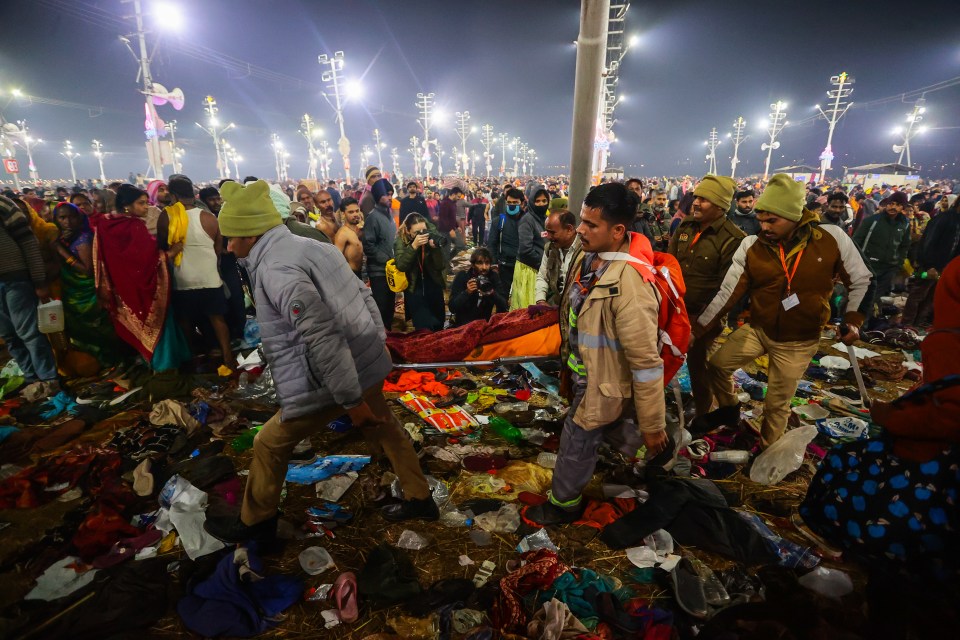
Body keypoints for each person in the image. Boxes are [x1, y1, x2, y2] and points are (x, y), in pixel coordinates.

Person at [204, 180, 436, 543]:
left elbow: (323, 336)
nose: (229, 247)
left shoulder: (276, 270)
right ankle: (420, 496)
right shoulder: (312, 244)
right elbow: (362, 294)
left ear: (250, 234)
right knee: (384, 424)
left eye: (232, 238)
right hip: (363, 359)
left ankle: (256, 525)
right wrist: (379, 342)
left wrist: (350, 400)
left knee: (268, 443)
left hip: (333, 379)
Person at [799, 256, 960, 639]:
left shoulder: (950, 338)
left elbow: (950, 413)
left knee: (912, 574)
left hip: (934, 481)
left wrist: (893, 416)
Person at [525, 182, 671, 526]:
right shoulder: (592, 258)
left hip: (601, 384)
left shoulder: (630, 285)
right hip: (584, 376)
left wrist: (653, 424)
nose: (581, 230)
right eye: (583, 221)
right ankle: (661, 460)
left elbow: (646, 364)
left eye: (591, 225)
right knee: (611, 431)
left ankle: (563, 505)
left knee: (576, 442)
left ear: (618, 230)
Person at [693, 174, 872, 447]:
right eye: (761, 219)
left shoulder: (831, 238)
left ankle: (766, 454)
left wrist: (853, 321)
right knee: (717, 366)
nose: (763, 226)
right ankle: (729, 411)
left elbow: (861, 280)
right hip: (759, 329)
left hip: (799, 340)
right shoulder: (752, 246)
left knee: (776, 403)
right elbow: (727, 294)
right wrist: (697, 330)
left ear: (793, 215)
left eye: (771, 220)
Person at [668, 175, 746, 418]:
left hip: (703, 316)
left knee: (698, 369)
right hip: (673, 310)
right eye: (696, 197)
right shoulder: (685, 226)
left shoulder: (733, 239)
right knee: (660, 360)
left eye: (704, 199)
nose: (696, 203)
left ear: (721, 206)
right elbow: (669, 266)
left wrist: (698, 328)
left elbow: (725, 290)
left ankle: (703, 416)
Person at [93, 184, 190, 372]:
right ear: (127, 205)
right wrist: (170, 253)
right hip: (144, 285)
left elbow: (104, 257)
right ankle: (165, 367)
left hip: (121, 286)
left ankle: (155, 362)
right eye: (141, 203)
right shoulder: (134, 225)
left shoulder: (105, 223)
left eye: (146, 202)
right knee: (158, 321)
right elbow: (147, 258)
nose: (146, 207)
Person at [157, 175, 236, 371]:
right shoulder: (209, 217)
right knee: (218, 320)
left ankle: (191, 361)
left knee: (186, 323)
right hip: (210, 277)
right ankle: (228, 358)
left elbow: (161, 247)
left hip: (183, 279)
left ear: (173, 195)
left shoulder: (167, 216)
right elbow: (218, 250)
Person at [0, 194, 59, 399]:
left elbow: (28, 243)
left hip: (14, 278)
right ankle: (31, 379)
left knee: (29, 333)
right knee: (9, 336)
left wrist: (39, 281)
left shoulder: (3, 204)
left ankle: (49, 380)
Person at [53, 202, 122, 369]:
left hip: (87, 295)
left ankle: (109, 361)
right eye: (62, 218)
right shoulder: (68, 238)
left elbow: (87, 270)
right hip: (75, 293)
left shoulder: (82, 238)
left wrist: (61, 250)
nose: (67, 222)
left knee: (97, 329)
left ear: (79, 218)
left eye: (72, 217)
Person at [901, 194, 960, 328]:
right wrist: (929, 265)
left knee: (930, 297)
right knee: (918, 294)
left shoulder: (956, 220)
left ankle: (916, 327)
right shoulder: (944, 219)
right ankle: (906, 326)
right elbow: (929, 242)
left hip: (944, 268)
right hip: (931, 266)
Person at [853, 190, 911, 321]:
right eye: (891, 203)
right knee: (861, 296)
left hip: (889, 268)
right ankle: (853, 324)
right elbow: (856, 241)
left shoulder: (905, 224)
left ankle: (862, 326)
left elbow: (904, 245)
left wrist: (898, 263)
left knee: (873, 298)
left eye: (897, 204)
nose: (893, 207)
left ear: (902, 207)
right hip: (868, 266)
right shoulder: (872, 221)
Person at [394, 213, 446, 330]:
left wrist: (434, 249)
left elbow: (440, 265)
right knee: (424, 327)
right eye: (417, 232)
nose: (422, 234)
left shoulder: (431, 235)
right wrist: (413, 246)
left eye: (424, 230)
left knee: (439, 322)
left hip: (433, 283)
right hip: (414, 287)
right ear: (408, 231)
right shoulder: (400, 241)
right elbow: (401, 265)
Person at [361, 178, 398, 329]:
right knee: (382, 309)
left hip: (390, 270)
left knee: (390, 306)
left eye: (390, 194)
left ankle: (389, 340)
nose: (389, 197)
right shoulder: (373, 217)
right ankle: (383, 343)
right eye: (385, 194)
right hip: (379, 272)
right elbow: (368, 245)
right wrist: (386, 259)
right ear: (377, 196)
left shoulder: (388, 216)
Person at [511, 188, 550, 309]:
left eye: (544, 201)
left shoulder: (545, 219)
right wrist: (543, 265)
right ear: (532, 202)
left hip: (541, 268)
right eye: (537, 201)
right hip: (529, 269)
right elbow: (525, 249)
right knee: (529, 304)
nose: (542, 204)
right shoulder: (527, 220)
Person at [448, 247, 508, 326]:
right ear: (473, 264)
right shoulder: (463, 276)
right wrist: (467, 292)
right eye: (480, 263)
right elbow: (452, 308)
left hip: (484, 325)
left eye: (487, 263)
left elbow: (504, 305)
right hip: (463, 325)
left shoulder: (493, 277)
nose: (484, 267)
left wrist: (492, 293)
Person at [535, 210, 581, 307]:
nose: (548, 237)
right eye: (547, 232)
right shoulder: (550, 248)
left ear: (569, 229)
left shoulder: (584, 251)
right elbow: (542, 276)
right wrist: (540, 301)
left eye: (552, 232)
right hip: (556, 306)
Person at [487, 188, 525, 301]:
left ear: (522, 203)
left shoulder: (527, 220)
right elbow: (492, 244)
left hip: (523, 267)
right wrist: (494, 264)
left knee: (521, 298)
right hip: (504, 267)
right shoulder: (499, 220)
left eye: (515, 202)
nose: (512, 205)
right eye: (509, 203)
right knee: (502, 299)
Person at [334, 197, 365, 278]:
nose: (355, 214)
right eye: (351, 212)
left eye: (357, 211)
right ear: (343, 214)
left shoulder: (359, 230)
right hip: (349, 275)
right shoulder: (342, 234)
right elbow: (336, 260)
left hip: (360, 273)